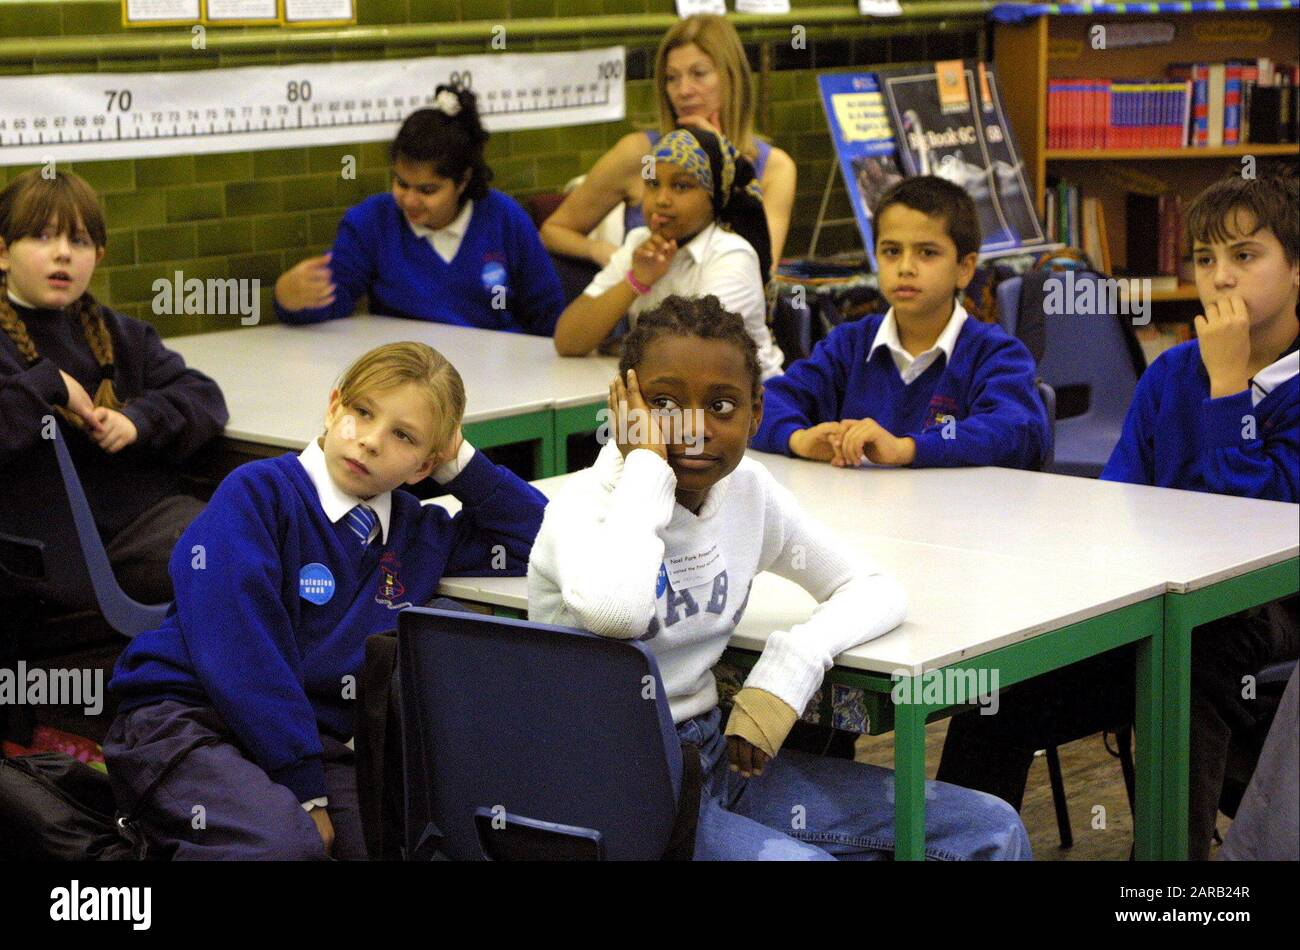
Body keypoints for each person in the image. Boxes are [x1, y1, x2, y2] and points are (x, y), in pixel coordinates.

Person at [529, 294, 1031, 860]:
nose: (694, 430)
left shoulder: (749, 494)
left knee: (991, 826)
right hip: (605, 791)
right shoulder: (583, 509)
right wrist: (646, 463)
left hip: (711, 762)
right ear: (623, 407)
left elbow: (873, 587)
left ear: (757, 413)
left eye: (722, 407)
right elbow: (616, 614)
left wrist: (786, 672)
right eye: (664, 403)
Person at [936, 170, 1299, 860]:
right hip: (1165, 603)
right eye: (1203, 258)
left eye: (1244, 257)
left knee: (1202, 642)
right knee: (1001, 682)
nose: (1219, 278)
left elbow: (1268, 528)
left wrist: (1228, 392)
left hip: (1270, 607)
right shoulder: (1171, 374)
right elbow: (1118, 503)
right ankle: (958, 847)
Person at [104, 342, 548, 859]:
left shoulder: (417, 532)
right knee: (285, 846)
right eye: (362, 413)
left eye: (403, 436)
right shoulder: (258, 493)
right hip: (184, 721)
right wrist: (304, 789)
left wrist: (463, 465)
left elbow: (540, 538)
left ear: (425, 465)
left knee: (387, 849)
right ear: (334, 406)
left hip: (306, 741)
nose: (370, 442)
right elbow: (240, 652)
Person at [0, 168, 227, 604]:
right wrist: (48, 383)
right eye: (43, 237)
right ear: (4, 253)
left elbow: (203, 397)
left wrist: (136, 421)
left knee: (275, 539)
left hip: (149, 523)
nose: (62, 254)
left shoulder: (120, 334)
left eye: (79, 241)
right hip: (65, 555)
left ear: (99, 256)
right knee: (235, 558)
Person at [751, 175, 1049, 470]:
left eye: (927, 253)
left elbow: (1014, 431)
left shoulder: (996, 353)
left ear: (965, 268)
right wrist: (798, 439)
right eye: (892, 252)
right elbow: (764, 404)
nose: (905, 268)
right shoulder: (847, 345)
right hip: (856, 511)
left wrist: (907, 448)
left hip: (957, 514)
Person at [275, 86, 565, 335]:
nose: (410, 200)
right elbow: (331, 302)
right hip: (409, 374)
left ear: (463, 181)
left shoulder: (506, 219)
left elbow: (548, 316)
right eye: (402, 184)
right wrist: (289, 297)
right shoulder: (371, 222)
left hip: (498, 370)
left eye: (428, 190)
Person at [540, 14, 796, 272]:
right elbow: (553, 230)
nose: (683, 90)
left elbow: (761, 268)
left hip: (728, 306)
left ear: (732, 78)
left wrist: (721, 156)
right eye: (671, 78)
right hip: (647, 304)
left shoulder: (775, 167)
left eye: (699, 74)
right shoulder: (640, 153)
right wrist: (603, 252)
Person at [554, 126, 784, 379]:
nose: (661, 199)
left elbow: (693, 356)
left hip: (755, 405)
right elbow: (568, 341)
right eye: (652, 184)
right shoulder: (639, 243)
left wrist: (626, 349)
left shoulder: (731, 255)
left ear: (714, 197)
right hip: (674, 399)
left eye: (681, 186)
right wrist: (637, 280)